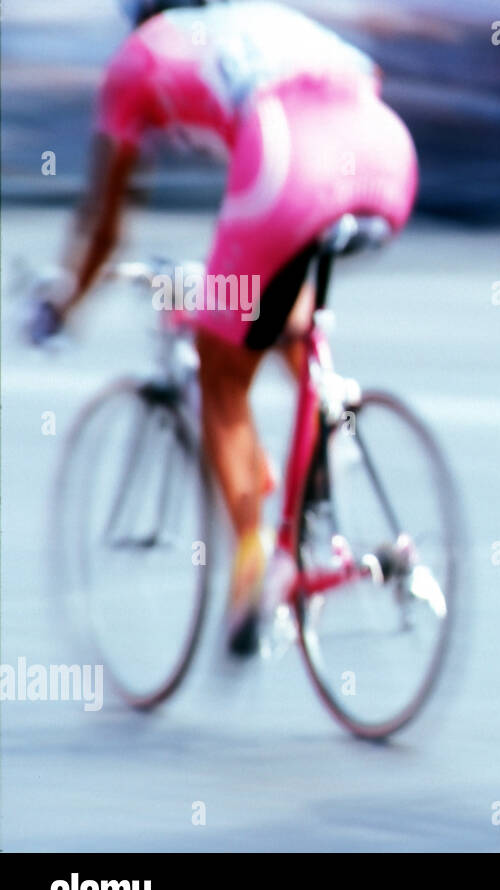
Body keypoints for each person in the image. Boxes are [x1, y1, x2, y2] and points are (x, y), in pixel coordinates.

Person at [27, 0, 419, 655]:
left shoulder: (141, 54)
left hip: (293, 158)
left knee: (218, 360)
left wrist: (64, 302)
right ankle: (329, 418)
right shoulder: (259, 18)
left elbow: (107, 221)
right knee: (276, 295)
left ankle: (253, 559)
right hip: (385, 150)